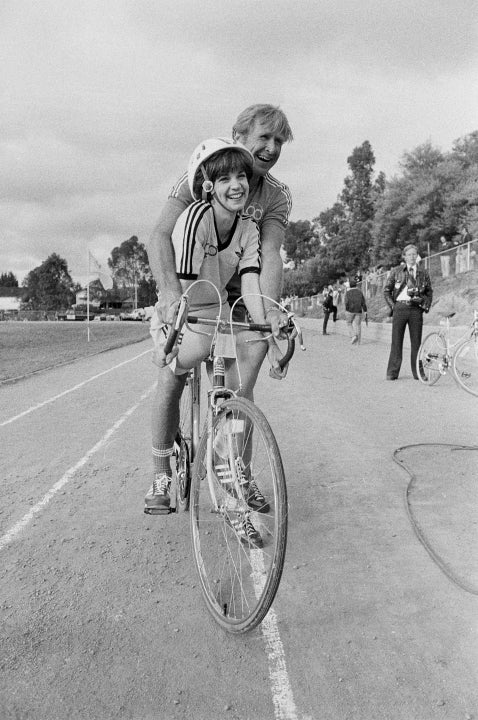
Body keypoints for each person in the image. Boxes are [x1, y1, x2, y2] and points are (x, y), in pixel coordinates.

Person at [145, 139, 284, 547]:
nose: (236, 185)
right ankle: (160, 472)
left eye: (241, 177)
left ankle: (230, 482)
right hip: (185, 308)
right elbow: (187, 288)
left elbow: (251, 286)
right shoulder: (195, 219)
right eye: (225, 179)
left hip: (219, 310)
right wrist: (180, 329)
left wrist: (266, 324)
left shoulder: (249, 228)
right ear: (208, 186)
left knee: (237, 389)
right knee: (173, 375)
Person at [146, 104, 294, 397]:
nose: (272, 148)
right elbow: (159, 235)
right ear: (238, 136)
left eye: (279, 141)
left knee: (238, 390)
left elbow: (270, 254)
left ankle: (231, 421)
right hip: (195, 285)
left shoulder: (277, 194)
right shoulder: (203, 173)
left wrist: (270, 312)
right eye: (264, 137)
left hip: (243, 293)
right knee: (172, 379)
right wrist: (171, 294)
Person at [384, 244, 433, 380]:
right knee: (396, 341)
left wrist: (425, 305)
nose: (412, 257)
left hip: (416, 310)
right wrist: (393, 306)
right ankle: (392, 372)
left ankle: (418, 373)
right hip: (400, 308)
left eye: (414, 254)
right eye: (409, 254)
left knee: (416, 343)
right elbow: (386, 291)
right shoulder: (396, 271)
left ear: (417, 256)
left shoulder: (423, 272)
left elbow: (429, 292)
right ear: (404, 256)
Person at [344, 279, 367, 344]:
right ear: (356, 285)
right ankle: (358, 342)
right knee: (358, 325)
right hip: (358, 310)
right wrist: (365, 310)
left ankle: (353, 336)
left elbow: (346, 302)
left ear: (350, 286)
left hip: (350, 310)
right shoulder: (360, 292)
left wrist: (346, 309)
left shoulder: (348, 292)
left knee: (349, 323)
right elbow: (363, 302)